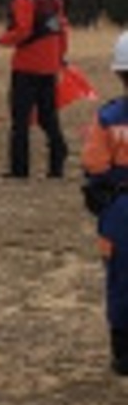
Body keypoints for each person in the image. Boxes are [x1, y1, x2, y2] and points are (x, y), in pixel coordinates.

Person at [0, 0, 69, 179]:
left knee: (20, 120)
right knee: (48, 118)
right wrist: (60, 57)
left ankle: (20, 169)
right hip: (49, 68)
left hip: (26, 67)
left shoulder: (23, 0)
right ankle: (57, 162)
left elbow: (22, 32)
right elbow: (62, 30)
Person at [79, 31, 128, 376]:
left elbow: (94, 165)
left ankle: (123, 354)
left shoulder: (109, 117)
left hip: (120, 210)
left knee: (121, 282)